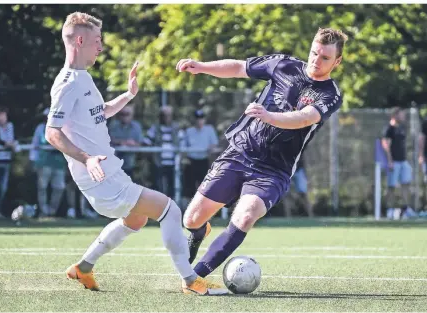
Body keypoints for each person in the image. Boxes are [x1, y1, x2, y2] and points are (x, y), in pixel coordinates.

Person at [43, 12, 226, 295]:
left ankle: (83, 267)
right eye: (96, 41)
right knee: (170, 209)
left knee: (136, 219)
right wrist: (86, 158)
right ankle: (191, 281)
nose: (100, 47)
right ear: (80, 40)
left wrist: (128, 95)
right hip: (100, 176)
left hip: (109, 172)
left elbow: (100, 113)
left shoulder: (83, 77)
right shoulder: (68, 82)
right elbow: (51, 132)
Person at [176, 28, 347, 277]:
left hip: (273, 171)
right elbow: (238, 67)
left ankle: (196, 276)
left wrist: (269, 116)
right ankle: (199, 232)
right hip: (240, 153)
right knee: (190, 220)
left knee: (245, 217)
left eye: (325, 58)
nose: (316, 61)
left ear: (337, 61)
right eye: (314, 53)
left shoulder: (330, 93)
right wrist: (201, 66)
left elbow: (304, 118)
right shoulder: (283, 65)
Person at [31, 108, 67, 217]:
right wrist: (33, 160)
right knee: (42, 186)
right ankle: (43, 211)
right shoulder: (40, 128)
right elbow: (35, 144)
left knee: (59, 187)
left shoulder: (63, 128)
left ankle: (52, 211)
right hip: (44, 162)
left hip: (59, 163)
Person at [381, 107, 416, 219]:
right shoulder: (389, 129)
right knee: (391, 187)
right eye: (401, 114)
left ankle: (406, 209)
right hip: (394, 162)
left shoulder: (401, 128)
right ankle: (388, 210)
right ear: (395, 115)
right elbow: (386, 144)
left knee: (406, 184)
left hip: (403, 162)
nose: (403, 116)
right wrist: (390, 161)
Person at [143, 106, 183, 198]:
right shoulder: (155, 128)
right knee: (158, 186)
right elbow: (146, 142)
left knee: (172, 187)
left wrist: (180, 159)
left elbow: (182, 143)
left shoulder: (176, 128)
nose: (166, 117)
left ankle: (172, 207)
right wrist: (151, 156)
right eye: (164, 115)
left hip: (173, 163)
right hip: (158, 162)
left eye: (169, 115)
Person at [182, 109, 219, 208]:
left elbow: (214, 145)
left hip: (204, 161)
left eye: (201, 118)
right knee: (190, 187)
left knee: (205, 186)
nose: (199, 121)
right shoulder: (189, 131)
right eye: (197, 119)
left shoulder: (209, 129)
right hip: (191, 161)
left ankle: (204, 209)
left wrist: (211, 148)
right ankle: (189, 209)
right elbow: (183, 147)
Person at [107, 105, 143, 179]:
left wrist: (133, 144)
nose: (124, 116)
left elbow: (140, 143)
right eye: (122, 114)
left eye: (127, 114)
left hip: (131, 163)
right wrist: (122, 142)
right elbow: (109, 140)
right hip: (115, 164)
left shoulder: (136, 126)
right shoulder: (113, 125)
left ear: (132, 115)